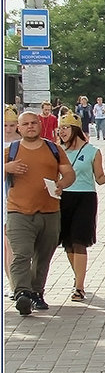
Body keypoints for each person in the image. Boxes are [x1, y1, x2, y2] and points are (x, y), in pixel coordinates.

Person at [4, 111, 76, 315]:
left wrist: (61, 184)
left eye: (33, 123)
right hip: (18, 211)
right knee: (21, 254)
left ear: (40, 125)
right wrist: (7, 167)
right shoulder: (12, 150)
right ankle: (22, 293)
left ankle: (37, 292)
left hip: (50, 211)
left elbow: (69, 173)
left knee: (43, 256)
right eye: (25, 124)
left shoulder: (53, 149)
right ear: (19, 128)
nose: (30, 126)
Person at [57, 112, 105, 301]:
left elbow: (99, 179)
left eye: (66, 128)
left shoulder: (92, 151)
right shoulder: (59, 151)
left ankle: (79, 286)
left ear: (75, 129)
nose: (62, 132)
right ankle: (78, 277)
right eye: (60, 128)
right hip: (64, 198)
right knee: (67, 241)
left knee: (79, 240)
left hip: (85, 198)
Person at [4, 107, 20, 291]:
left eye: (12, 125)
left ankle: (14, 283)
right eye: (5, 125)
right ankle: (11, 282)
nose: (8, 129)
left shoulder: (20, 143)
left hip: (15, 193)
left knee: (12, 243)